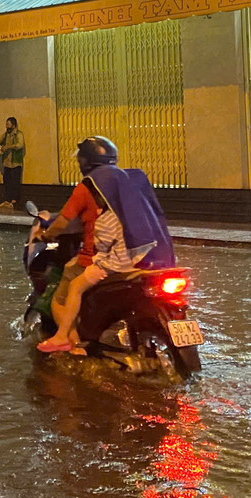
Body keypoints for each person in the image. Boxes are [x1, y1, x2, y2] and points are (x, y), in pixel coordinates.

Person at [33, 137, 174, 355]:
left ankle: (68, 340)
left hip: (111, 261)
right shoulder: (128, 185)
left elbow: (67, 224)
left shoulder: (90, 190)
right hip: (151, 259)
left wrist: (46, 234)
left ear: (85, 162)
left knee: (67, 289)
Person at [0, 117, 26, 209]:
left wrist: (8, 147)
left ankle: (14, 201)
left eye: (8, 124)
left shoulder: (18, 134)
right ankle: (7, 200)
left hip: (15, 162)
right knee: (7, 181)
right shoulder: (6, 135)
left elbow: (20, 145)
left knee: (15, 182)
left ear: (13, 125)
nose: (6, 126)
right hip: (7, 163)